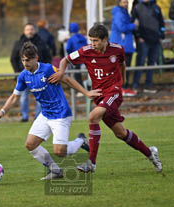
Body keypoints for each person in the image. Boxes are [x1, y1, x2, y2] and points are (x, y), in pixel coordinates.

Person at [55, 24, 162, 173]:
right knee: (121, 133)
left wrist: (122, 81)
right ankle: (150, 153)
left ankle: (91, 163)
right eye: (90, 40)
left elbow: (122, 64)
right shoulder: (86, 51)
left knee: (93, 117)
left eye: (95, 41)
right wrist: (61, 72)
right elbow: (65, 60)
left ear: (105, 39)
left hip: (114, 92)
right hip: (100, 95)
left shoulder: (118, 49)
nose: (92, 44)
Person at [0, 42, 101, 180]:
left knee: (60, 151)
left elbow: (67, 79)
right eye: (23, 60)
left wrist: (86, 93)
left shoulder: (48, 69)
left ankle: (80, 140)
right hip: (45, 115)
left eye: (28, 60)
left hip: (60, 114)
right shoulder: (24, 76)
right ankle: (55, 171)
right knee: (30, 145)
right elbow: (15, 96)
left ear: (36, 58)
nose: (25, 63)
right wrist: (2, 111)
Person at [11, 23, 51, 122]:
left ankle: (38, 116)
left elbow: (48, 57)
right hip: (25, 76)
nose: (29, 31)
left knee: (40, 97)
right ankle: (25, 116)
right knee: (23, 97)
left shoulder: (41, 42)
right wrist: (18, 72)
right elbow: (13, 58)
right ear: (24, 31)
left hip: (39, 76)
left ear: (34, 30)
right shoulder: (18, 43)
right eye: (27, 29)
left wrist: (45, 71)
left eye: (31, 29)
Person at [131, 0, 165, 93]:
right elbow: (134, 23)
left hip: (155, 40)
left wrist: (161, 35)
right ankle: (136, 83)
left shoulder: (156, 7)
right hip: (143, 40)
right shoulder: (137, 7)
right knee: (140, 61)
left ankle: (148, 83)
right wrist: (138, 36)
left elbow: (161, 22)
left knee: (152, 62)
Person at [110, 0, 139, 96]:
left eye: (126, 2)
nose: (126, 4)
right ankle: (123, 88)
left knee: (123, 67)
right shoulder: (119, 13)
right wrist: (134, 25)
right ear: (119, 2)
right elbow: (121, 27)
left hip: (124, 44)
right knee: (123, 67)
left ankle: (123, 87)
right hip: (122, 45)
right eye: (123, 2)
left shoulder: (123, 12)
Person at [66, 22, 87, 86]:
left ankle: (79, 89)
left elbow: (68, 49)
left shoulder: (71, 39)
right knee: (86, 74)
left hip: (75, 59)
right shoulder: (83, 37)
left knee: (77, 74)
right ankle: (87, 87)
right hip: (85, 58)